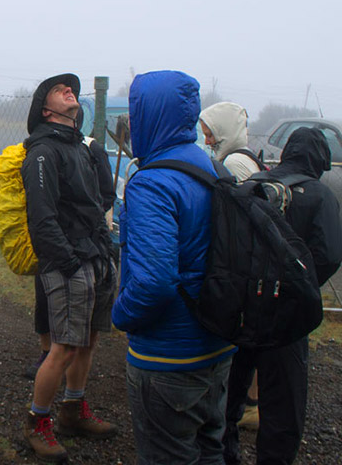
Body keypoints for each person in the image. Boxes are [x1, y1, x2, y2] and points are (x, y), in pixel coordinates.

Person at [112, 70, 237, 465]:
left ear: (150, 115)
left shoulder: (153, 183)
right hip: (218, 345)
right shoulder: (216, 170)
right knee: (210, 448)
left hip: (168, 356)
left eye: (136, 112)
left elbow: (154, 282)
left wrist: (121, 315)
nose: (132, 123)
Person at [222, 127, 342, 465]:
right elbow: (330, 254)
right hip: (287, 315)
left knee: (228, 396)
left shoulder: (253, 185)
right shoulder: (319, 195)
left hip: (241, 310)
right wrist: (303, 287)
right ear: (321, 158)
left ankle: (224, 456)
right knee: (283, 407)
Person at [20, 74, 118, 463]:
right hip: (68, 262)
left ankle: (73, 410)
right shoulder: (42, 153)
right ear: (46, 110)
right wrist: (69, 261)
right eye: (59, 90)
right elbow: (41, 220)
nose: (69, 90)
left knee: (87, 341)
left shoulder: (80, 148)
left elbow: (99, 200)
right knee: (61, 348)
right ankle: (36, 422)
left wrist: (104, 251)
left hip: (95, 255)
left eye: (71, 88)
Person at [25, 110, 116, 381]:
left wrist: (90, 228)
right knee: (44, 298)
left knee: (86, 332)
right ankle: (46, 353)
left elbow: (106, 194)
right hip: (55, 245)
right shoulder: (42, 148)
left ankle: (72, 395)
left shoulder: (91, 148)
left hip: (88, 247)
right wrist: (63, 252)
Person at [200, 101, 264, 430]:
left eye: (211, 133)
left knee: (242, 341)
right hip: (251, 261)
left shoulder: (236, 163)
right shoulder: (247, 157)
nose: (207, 140)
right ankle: (251, 403)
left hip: (242, 262)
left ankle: (247, 406)